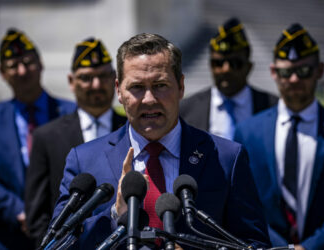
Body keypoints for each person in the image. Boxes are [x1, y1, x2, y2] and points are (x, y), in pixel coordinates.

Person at [52, 33, 271, 249]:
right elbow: (57, 244)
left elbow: (254, 244)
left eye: (160, 85)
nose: (149, 99)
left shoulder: (226, 158)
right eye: (137, 87)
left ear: (181, 86)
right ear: (119, 90)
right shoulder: (84, 161)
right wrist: (115, 217)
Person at [234, 23, 324, 250]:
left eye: (304, 71)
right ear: (273, 72)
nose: (295, 79)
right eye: (287, 72)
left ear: (319, 70)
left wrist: (309, 247)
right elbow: (242, 203)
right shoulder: (248, 132)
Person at [24, 37, 127, 247]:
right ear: (71, 82)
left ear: (115, 80)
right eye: (87, 78)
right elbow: (37, 214)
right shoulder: (47, 137)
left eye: (103, 76)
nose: (96, 85)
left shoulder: (133, 130)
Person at [0, 28, 75, 250]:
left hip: (61, 233)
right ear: (3, 74)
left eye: (28, 62)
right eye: (13, 66)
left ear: (41, 64)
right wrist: (19, 211)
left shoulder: (70, 113)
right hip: (8, 236)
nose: (22, 71)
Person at [180, 17, 277, 140]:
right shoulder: (186, 110)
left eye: (235, 63)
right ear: (210, 66)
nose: (226, 69)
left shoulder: (273, 108)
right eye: (218, 63)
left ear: (249, 67)